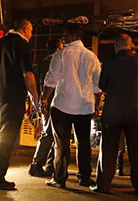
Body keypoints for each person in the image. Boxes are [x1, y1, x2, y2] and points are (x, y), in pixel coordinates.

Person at [0, 18, 39, 190]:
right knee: (6, 139)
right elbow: (27, 75)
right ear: (24, 29)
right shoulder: (22, 44)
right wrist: (35, 97)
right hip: (13, 98)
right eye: (31, 30)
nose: (31, 35)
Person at [40, 25, 101, 188]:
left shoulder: (61, 54)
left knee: (61, 144)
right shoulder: (92, 57)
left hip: (62, 106)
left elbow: (51, 79)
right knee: (84, 143)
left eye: (65, 35)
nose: (63, 38)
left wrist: (44, 99)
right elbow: (97, 86)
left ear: (73, 36)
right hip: (85, 107)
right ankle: (85, 177)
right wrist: (97, 106)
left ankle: (59, 178)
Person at [91, 34, 138, 194]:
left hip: (113, 111)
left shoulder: (109, 63)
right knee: (136, 149)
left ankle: (103, 185)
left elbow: (102, 84)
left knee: (109, 149)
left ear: (116, 46)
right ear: (131, 46)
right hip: (135, 111)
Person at [29, 39, 64, 177]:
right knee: (49, 134)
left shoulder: (41, 63)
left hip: (45, 103)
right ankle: (37, 165)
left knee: (50, 134)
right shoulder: (55, 61)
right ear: (57, 49)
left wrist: (37, 102)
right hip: (53, 102)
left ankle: (50, 165)